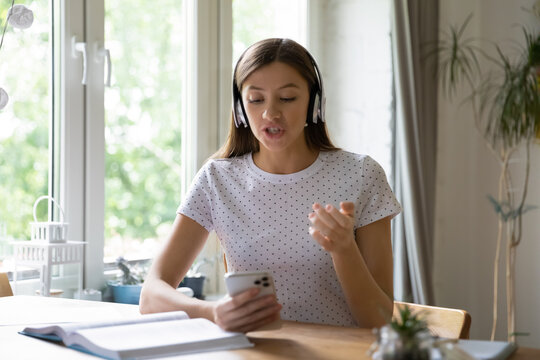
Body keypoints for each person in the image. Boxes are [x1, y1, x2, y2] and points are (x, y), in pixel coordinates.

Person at [140, 38, 401, 332]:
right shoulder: (216, 179)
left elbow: (381, 321)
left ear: (314, 104)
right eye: (256, 99)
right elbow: (150, 296)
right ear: (240, 109)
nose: (270, 114)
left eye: (287, 98)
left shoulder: (361, 174)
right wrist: (212, 312)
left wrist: (344, 250)